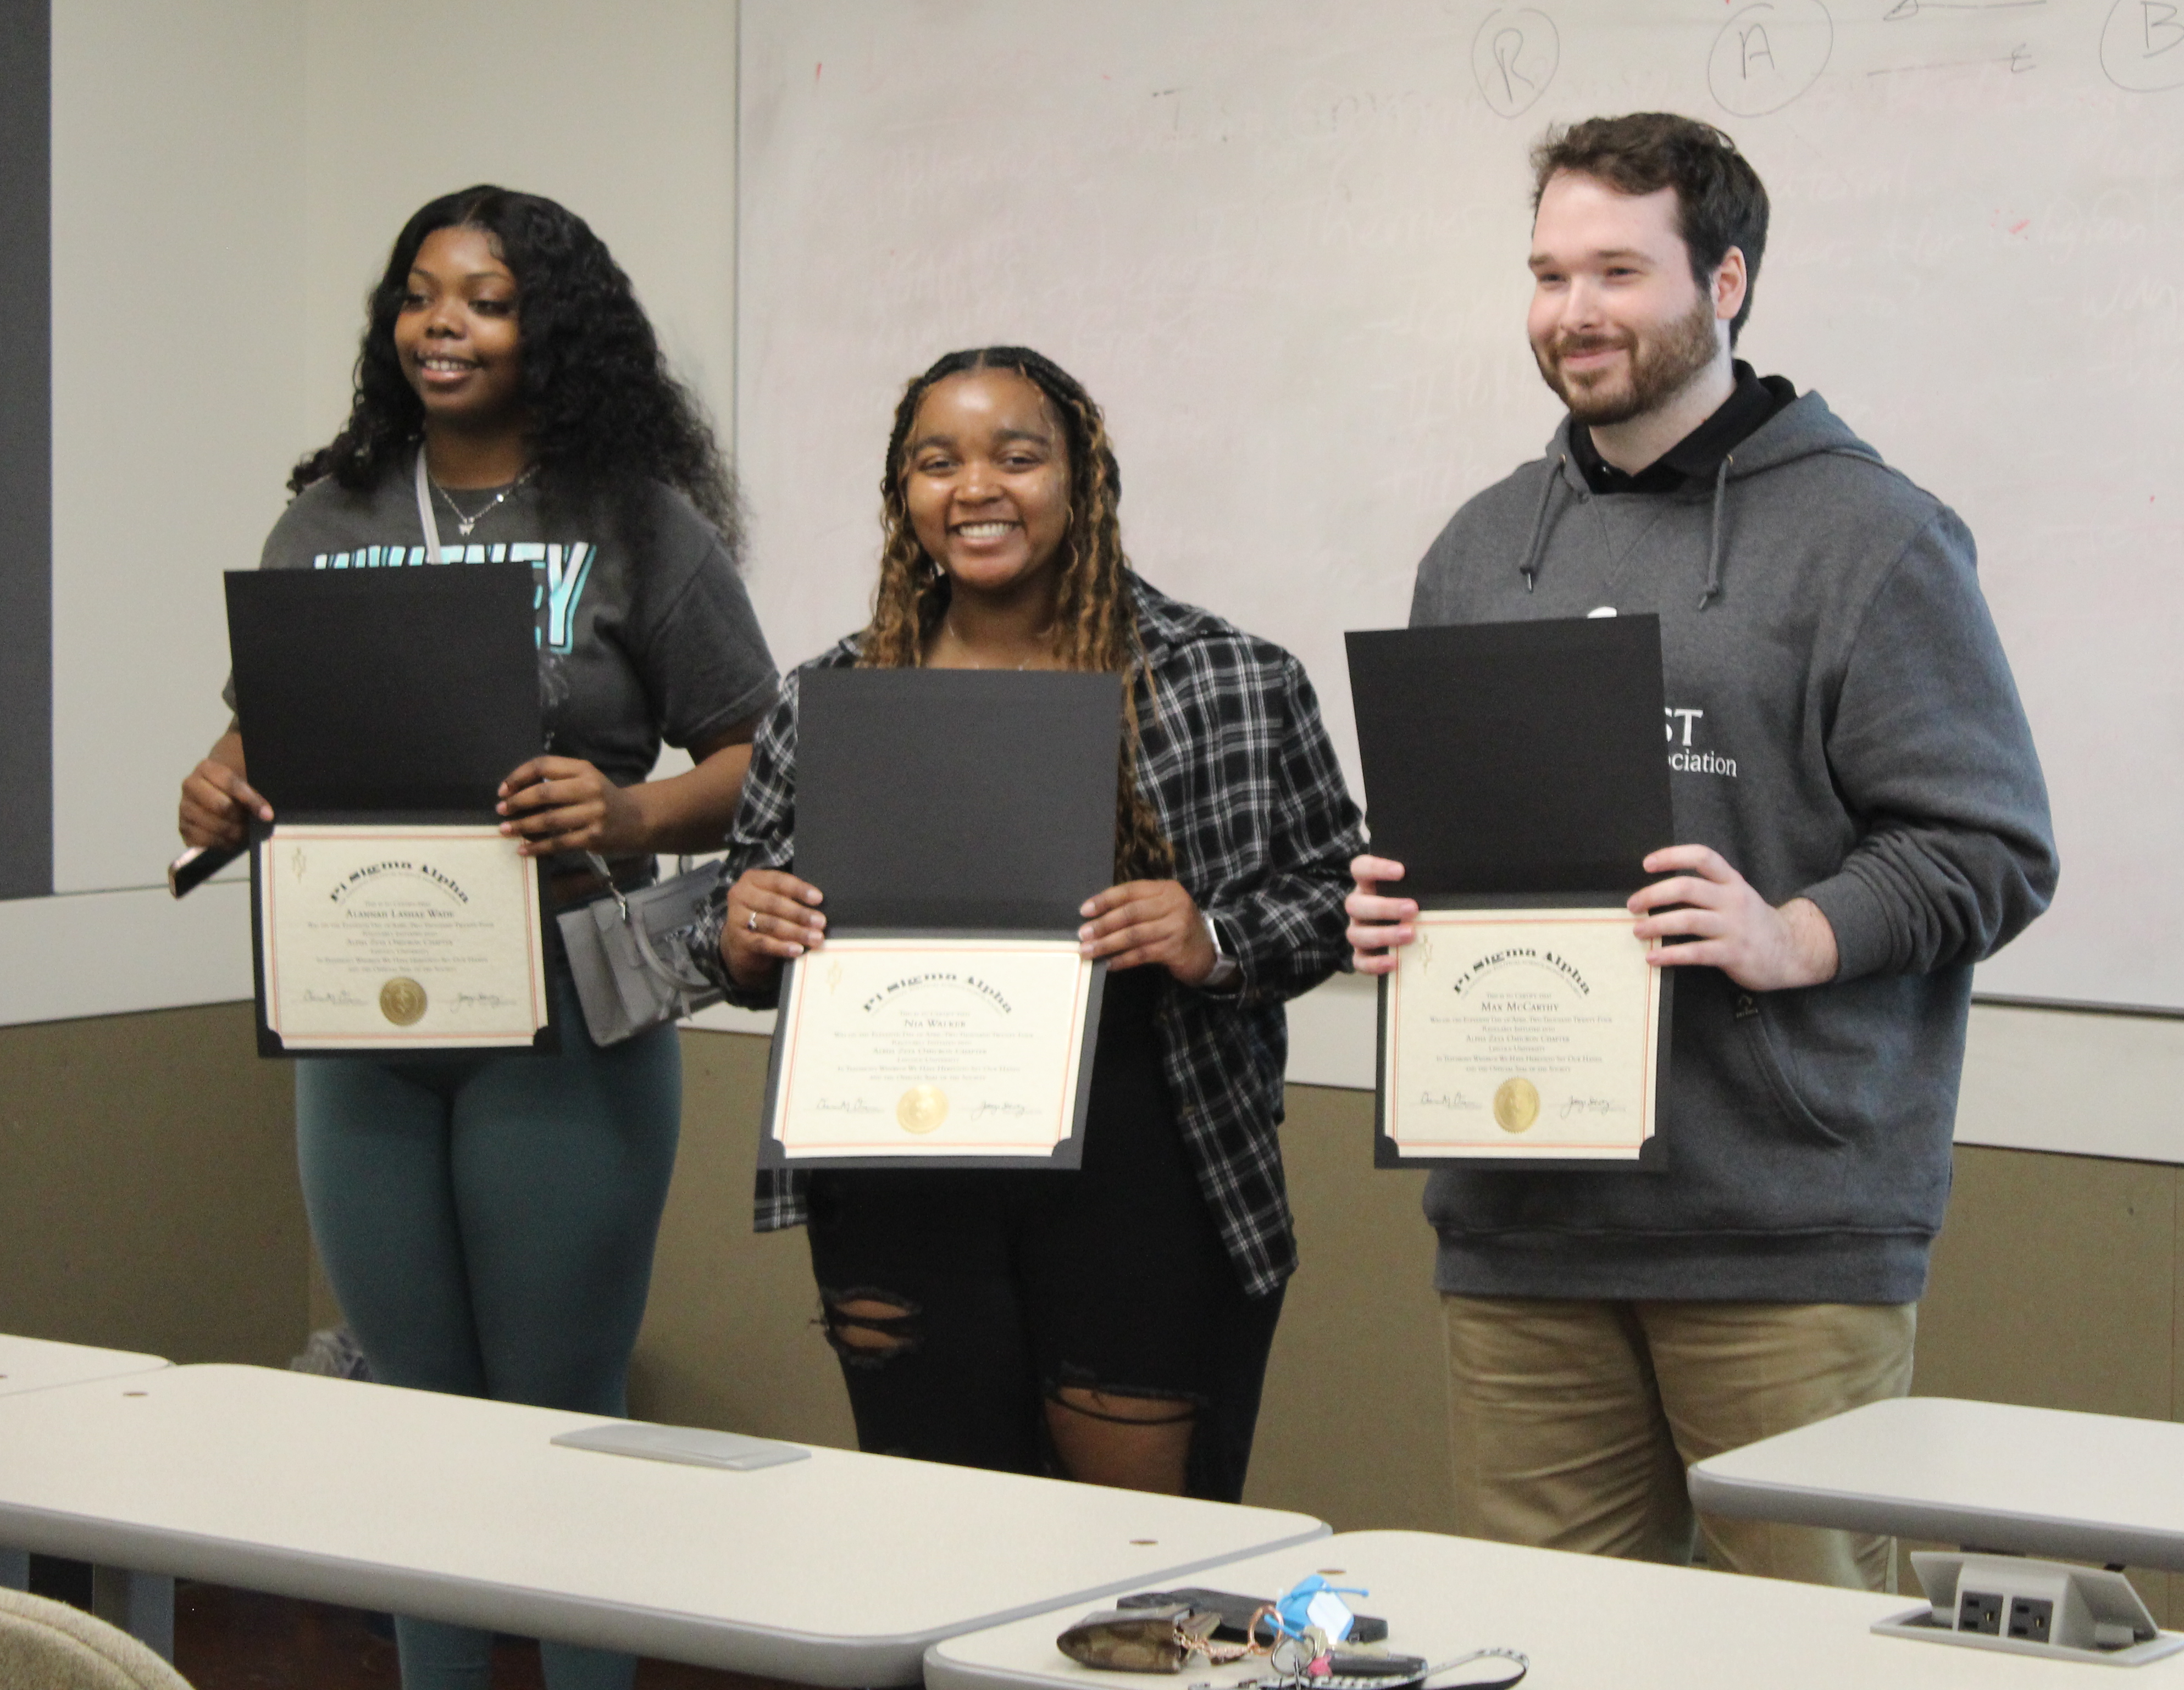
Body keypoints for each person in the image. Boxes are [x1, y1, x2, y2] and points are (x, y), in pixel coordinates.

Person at [1345, 113, 2056, 1587]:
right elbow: (1458, 835)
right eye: (1549, 274)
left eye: (1619, 271)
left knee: (1807, 1650)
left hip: (1780, 1234)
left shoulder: (1874, 537)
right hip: (1523, 1219)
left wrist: (1791, 933)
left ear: (1725, 284)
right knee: (1552, 1640)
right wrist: (1392, 908)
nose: (1574, 315)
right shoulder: (1479, 550)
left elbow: (1989, 848)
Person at [176, 186, 778, 1690]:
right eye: (422, 294)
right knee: (412, 1424)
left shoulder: (638, 521)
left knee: (559, 1418)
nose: (445, 324)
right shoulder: (329, 516)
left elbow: (766, 758)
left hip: (565, 1013)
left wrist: (627, 813)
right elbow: (268, 736)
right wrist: (218, 780)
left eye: (488, 299)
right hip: (362, 1017)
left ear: (550, 331)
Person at [683, 344, 1362, 1501]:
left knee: (1135, 1569)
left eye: (1017, 456)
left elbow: (1343, 893)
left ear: (1082, 479)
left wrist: (1213, 937)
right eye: (937, 462)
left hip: (1148, 1160)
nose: (976, 488)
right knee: (939, 1544)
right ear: (905, 496)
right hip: (898, 1165)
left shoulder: (1230, 676)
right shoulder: (831, 698)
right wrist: (742, 926)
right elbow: (734, 922)